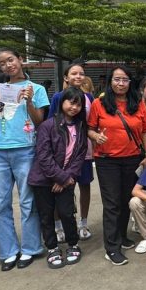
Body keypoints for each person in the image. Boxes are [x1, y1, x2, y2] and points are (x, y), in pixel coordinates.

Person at [0, 47, 49, 271]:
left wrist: (29, 101)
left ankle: (31, 248)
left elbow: (40, 121)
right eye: (2, 63)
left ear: (20, 60)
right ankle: (8, 251)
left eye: (10, 60)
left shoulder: (37, 89)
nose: (7, 65)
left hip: (25, 148)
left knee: (27, 200)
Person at [87, 66, 146, 265]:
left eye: (124, 80)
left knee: (125, 200)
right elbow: (89, 128)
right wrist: (96, 136)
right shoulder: (99, 103)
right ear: (111, 81)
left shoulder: (137, 102)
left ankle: (122, 237)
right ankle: (111, 248)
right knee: (112, 203)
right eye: (117, 79)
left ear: (130, 83)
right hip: (107, 160)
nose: (120, 83)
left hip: (132, 158)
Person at [29, 87, 89, 269]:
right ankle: (52, 248)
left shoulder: (81, 126)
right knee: (46, 215)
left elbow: (80, 155)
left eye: (78, 104)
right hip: (43, 180)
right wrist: (61, 177)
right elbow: (43, 156)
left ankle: (73, 244)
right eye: (71, 102)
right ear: (62, 102)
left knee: (66, 212)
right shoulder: (47, 125)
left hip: (67, 179)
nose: (74, 107)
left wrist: (67, 178)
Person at [49, 62, 95, 241]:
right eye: (74, 73)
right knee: (60, 187)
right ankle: (59, 225)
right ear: (66, 77)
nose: (78, 77)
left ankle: (83, 222)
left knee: (85, 185)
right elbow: (51, 123)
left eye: (81, 73)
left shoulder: (89, 97)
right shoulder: (58, 97)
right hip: (62, 151)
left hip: (84, 150)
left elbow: (91, 123)